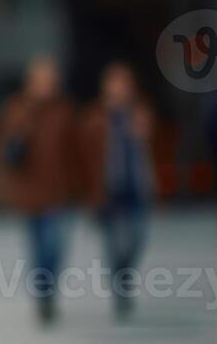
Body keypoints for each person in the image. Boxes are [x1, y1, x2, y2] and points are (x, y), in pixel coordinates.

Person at [0, 55, 80, 326]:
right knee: (38, 247)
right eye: (40, 79)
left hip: (59, 193)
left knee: (55, 245)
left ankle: (48, 290)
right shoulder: (16, 109)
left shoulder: (65, 110)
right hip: (29, 192)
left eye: (50, 79)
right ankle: (43, 294)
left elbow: (78, 151)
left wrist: (82, 187)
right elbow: (0, 148)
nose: (45, 85)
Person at [81, 62, 154, 321]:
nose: (120, 89)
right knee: (114, 246)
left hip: (137, 189)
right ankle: (120, 291)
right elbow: (86, 158)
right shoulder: (95, 117)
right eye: (115, 83)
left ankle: (124, 276)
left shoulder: (139, 113)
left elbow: (151, 150)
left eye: (124, 83)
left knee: (137, 239)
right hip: (108, 192)